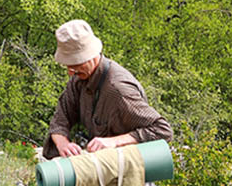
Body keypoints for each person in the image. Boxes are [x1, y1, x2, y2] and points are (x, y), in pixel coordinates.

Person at [43, 19, 172, 161]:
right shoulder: (79, 78)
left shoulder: (118, 89)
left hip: (132, 169)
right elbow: (61, 119)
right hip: (102, 167)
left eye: (75, 63)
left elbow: (162, 130)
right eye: (67, 65)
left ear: (90, 56)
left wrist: (113, 142)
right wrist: (63, 144)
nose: (70, 72)